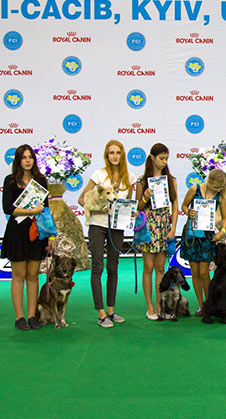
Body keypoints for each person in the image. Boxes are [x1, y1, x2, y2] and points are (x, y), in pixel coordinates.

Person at [78, 140, 137, 328]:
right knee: (97, 267)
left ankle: (111, 310)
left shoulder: (130, 178)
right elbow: (82, 199)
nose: (115, 156)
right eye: (111, 153)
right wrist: (98, 209)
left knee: (113, 267)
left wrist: (132, 213)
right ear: (106, 155)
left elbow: (129, 203)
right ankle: (101, 313)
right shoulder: (99, 174)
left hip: (117, 227)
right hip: (97, 225)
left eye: (118, 153)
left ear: (122, 155)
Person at [1, 144, 53, 330]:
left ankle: (32, 316)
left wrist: (51, 236)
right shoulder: (10, 181)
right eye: (24, 157)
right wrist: (31, 211)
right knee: (19, 275)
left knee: (33, 275)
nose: (28, 160)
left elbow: (45, 209)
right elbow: (7, 208)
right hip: (16, 231)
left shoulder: (41, 181)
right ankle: (19, 317)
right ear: (18, 160)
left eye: (30, 157)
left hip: (36, 232)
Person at [135, 143, 179, 320]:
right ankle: (150, 306)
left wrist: (173, 228)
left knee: (161, 267)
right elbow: (137, 208)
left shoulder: (171, 180)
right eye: (161, 158)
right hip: (148, 225)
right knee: (148, 267)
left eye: (166, 158)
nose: (164, 162)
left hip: (164, 225)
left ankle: (160, 305)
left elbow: (175, 206)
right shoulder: (141, 181)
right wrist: (145, 197)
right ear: (152, 158)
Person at [180, 168, 226, 316]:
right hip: (192, 233)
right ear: (208, 181)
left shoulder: (221, 196)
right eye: (215, 187)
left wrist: (222, 232)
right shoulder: (194, 189)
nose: (218, 190)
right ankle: (201, 305)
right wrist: (189, 212)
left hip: (207, 235)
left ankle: (210, 304)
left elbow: (225, 218)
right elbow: (184, 206)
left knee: (204, 271)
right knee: (194, 271)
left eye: (220, 188)